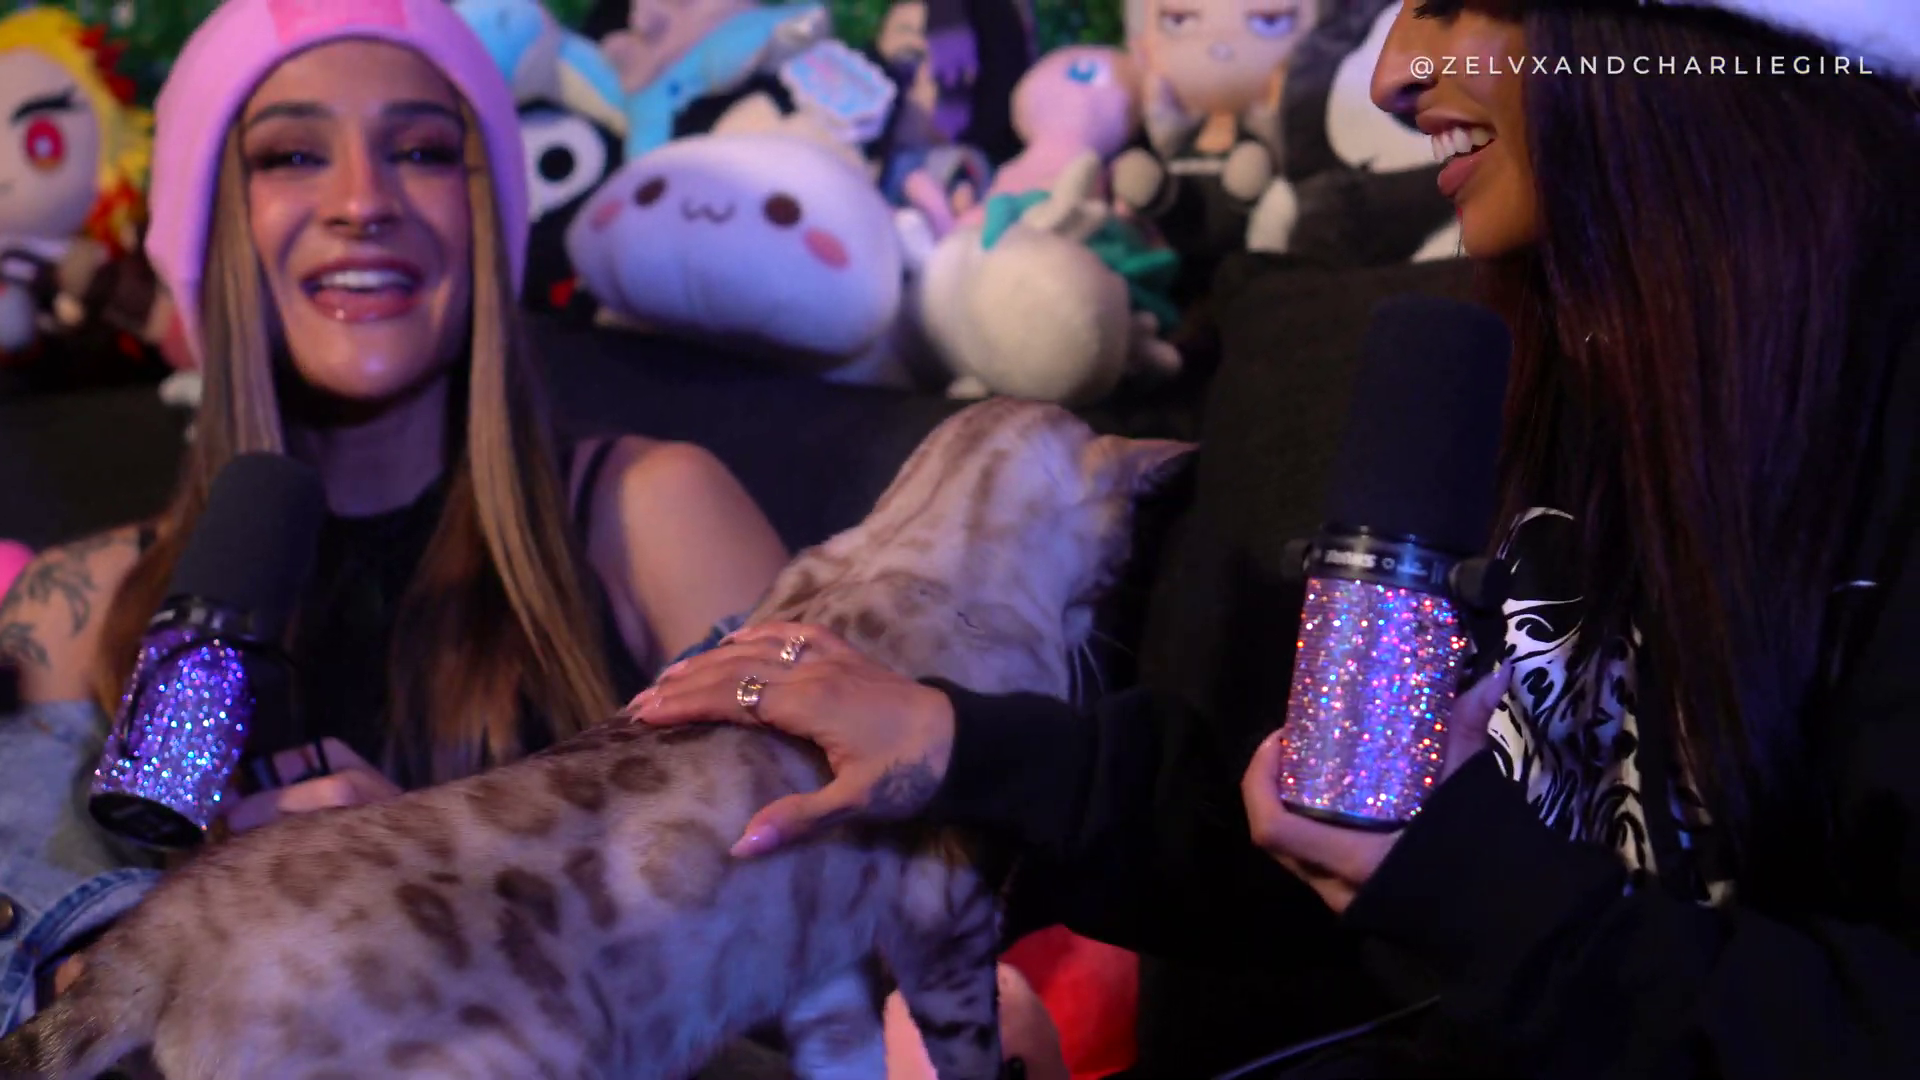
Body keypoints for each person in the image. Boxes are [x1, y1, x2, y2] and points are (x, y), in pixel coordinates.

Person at [634, 1, 1920, 1076]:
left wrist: (1464, 886)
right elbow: (1339, 852)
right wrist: (963, 745)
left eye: (1457, 2)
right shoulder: (1567, 383)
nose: (1394, 71)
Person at [0, 0, 789, 1038]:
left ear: (485, 214)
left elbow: (824, 928)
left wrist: (451, 904)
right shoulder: (76, 608)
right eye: (291, 156)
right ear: (211, 229)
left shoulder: (653, 517)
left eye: (420, 151)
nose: (363, 202)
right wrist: (194, 940)